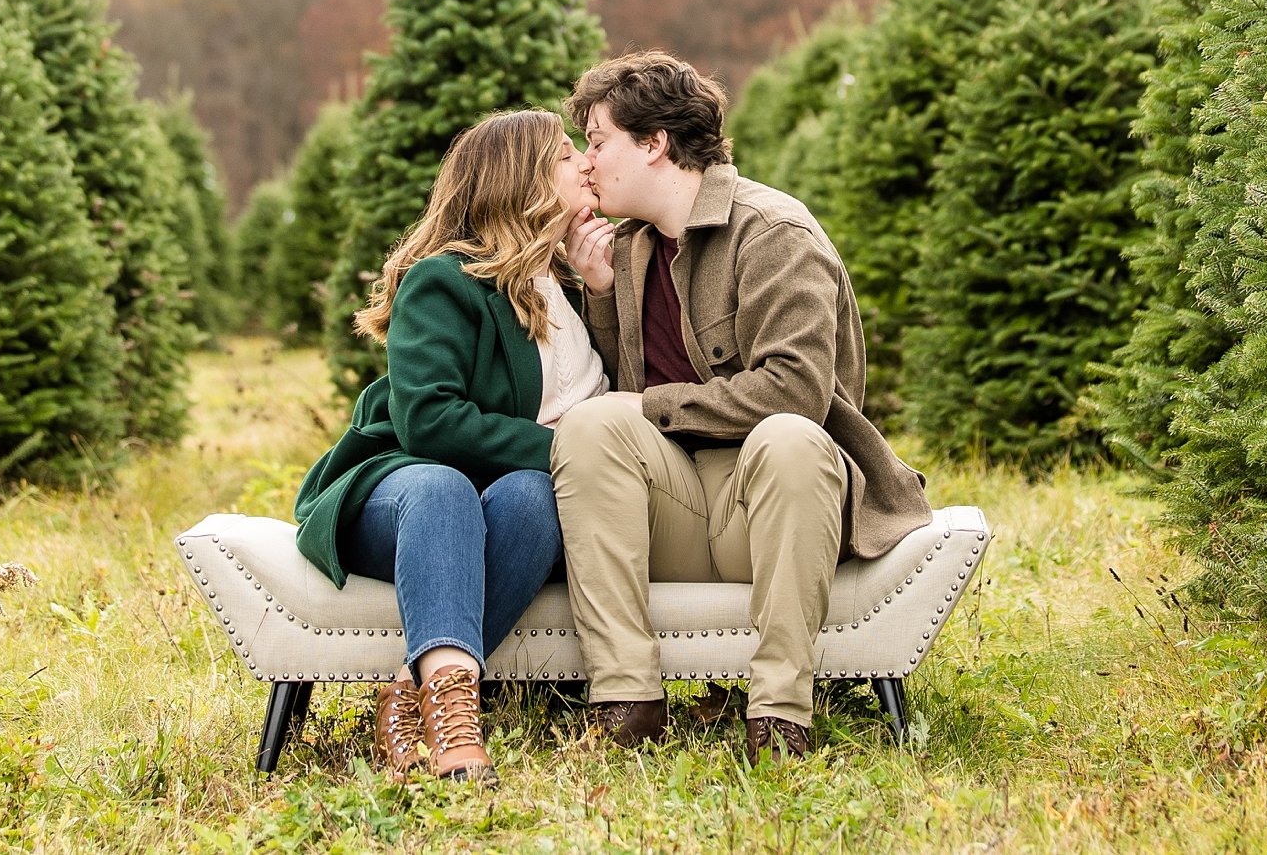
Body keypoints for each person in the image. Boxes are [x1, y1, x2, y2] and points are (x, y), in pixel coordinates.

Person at [556, 51, 931, 763]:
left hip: (770, 510)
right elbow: (616, 404)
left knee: (788, 435)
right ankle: (626, 701)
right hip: (678, 507)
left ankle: (781, 714)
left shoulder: (772, 233)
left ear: (654, 143)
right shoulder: (629, 250)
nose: (586, 161)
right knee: (591, 421)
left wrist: (655, 403)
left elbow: (795, 390)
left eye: (599, 140)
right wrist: (599, 293)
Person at [291, 109, 612, 783]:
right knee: (446, 487)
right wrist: (566, 449)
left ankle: (413, 700)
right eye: (563, 155)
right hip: (406, 487)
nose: (585, 160)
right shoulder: (447, 278)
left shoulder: (572, 288)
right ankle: (457, 724)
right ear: (519, 179)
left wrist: (604, 291)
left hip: (515, 494)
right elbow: (430, 420)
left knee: (532, 500)